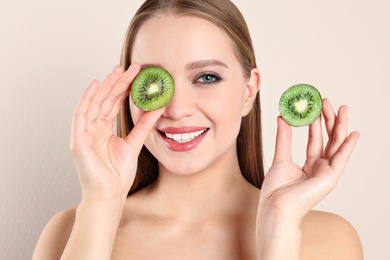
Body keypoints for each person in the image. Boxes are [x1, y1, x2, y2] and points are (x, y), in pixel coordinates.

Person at [33, 0, 363, 259]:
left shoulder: (328, 239)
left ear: (249, 91)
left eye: (207, 77)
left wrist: (281, 230)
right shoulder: (69, 231)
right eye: (154, 81)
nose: (177, 109)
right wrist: (101, 203)